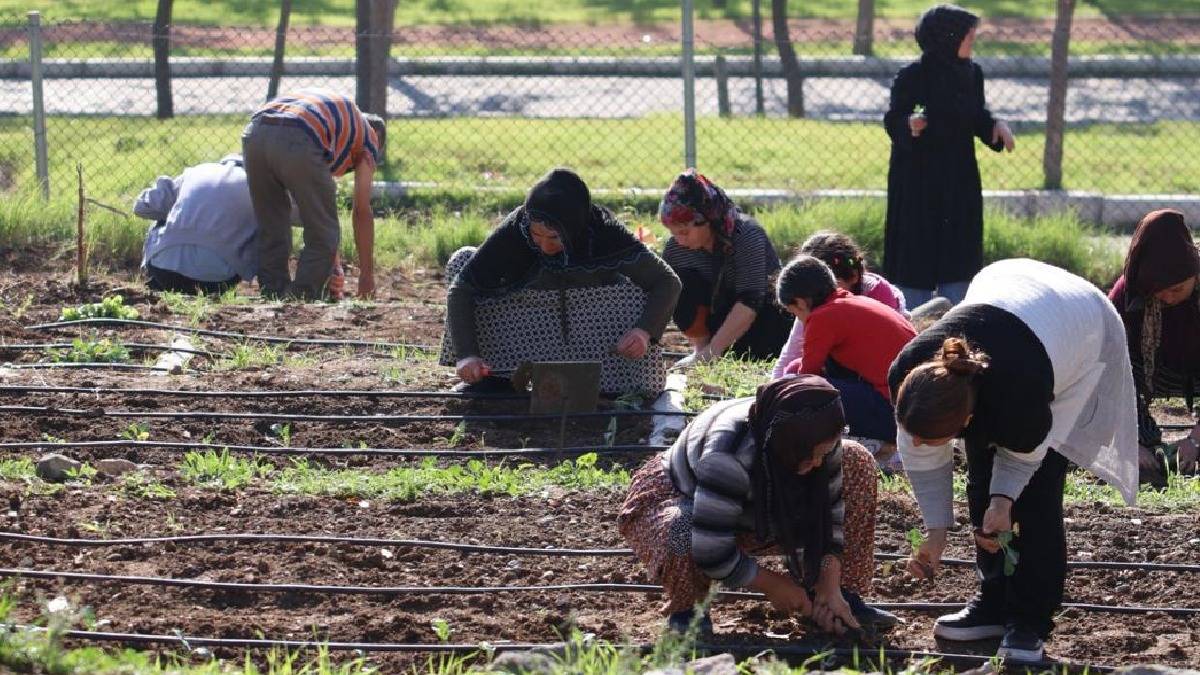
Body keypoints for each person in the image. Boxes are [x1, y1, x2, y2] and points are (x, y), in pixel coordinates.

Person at [889, 258, 1138, 662]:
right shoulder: (913, 373)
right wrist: (935, 533)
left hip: (1079, 328)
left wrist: (1004, 501)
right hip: (1010, 300)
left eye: (934, 435)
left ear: (968, 419)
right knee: (980, 485)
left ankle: (1029, 621)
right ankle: (993, 601)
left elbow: (1023, 456)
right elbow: (919, 452)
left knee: (1036, 496)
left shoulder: (1020, 393)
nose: (916, 441)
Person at [619, 374, 897, 636]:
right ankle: (689, 611)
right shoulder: (727, 455)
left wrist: (829, 584)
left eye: (824, 453)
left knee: (857, 460)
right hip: (685, 500)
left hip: (762, 506)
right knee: (682, 529)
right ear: (789, 445)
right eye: (812, 456)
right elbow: (710, 549)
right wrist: (773, 585)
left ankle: (839, 600)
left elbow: (833, 516)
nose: (818, 463)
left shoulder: (820, 435)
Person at [440, 168, 681, 394]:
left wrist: (642, 331)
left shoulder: (604, 231)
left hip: (593, 331)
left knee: (639, 289)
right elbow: (462, 289)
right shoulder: (516, 228)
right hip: (526, 325)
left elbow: (667, 281)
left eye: (555, 237)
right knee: (462, 261)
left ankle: (624, 385)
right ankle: (494, 380)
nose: (545, 246)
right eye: (536, 235)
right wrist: (467, 354)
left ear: (574, 227)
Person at [882, 4, 1015, 309]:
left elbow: (975, 116)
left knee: (959, 249)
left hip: (958, 178)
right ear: (947, 38)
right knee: (917, 248)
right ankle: (911, 316)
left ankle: (956, 317)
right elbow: (894, 117)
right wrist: (909, 125)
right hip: (918, 180)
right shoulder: (913, 75)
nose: (972, 43)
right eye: (968, 37)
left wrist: (995, 126)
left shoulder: (971, 74)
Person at [774, 256, 916, 469]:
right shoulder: (853, 301)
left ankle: (877, 446)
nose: (799, 320)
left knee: (801, 389)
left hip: (895, 413)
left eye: (794, 313)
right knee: (797, 373)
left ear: (801, 302)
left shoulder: (822, 317)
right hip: (914, 405)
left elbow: (806, 380)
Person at [241, 89, 383, 300]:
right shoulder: (369, 138)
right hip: (299, 133)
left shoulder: (337, 125)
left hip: (256, 132)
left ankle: (273, 294)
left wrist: (334, 266)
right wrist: (366, 277)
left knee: (272, 225)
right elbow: (361, 211)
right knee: (324, 232)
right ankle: (301, 298)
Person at [659, 169, 791, 367]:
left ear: (708, 221)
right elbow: (676, 296)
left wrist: (712, 353)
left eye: (685, 232)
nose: (679, 240)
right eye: (674, 233)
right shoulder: (677, 248)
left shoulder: (747, 235)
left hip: (762, 320)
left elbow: (751, 301)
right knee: (676, 284)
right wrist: (704, 351)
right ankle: (701, 351)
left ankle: (714, 356)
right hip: (719, 320)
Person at [1108, 209, 1200, 482]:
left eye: (1177, 289)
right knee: (1118, 364)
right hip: (1152, 373)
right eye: (1160, 291)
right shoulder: (1129, 294)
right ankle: (1144, 446)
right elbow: (1104, 370)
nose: (1168, 297)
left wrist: (1195, 439)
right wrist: (1128, 440)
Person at [772, 231, 909, 379]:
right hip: (866, 372)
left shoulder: (824, 308)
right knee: (793, 368)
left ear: (854, 276)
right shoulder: (820, 302)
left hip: (886, 379)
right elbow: (793, 351)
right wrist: (772, 385)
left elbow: (808, 375)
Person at [133, 155, 256, 296]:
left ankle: (158, 280)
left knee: (164, 213)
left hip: (163, 271)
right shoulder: (261, 186)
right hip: (216, 281)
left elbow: (141, 208)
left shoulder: (198, 171)